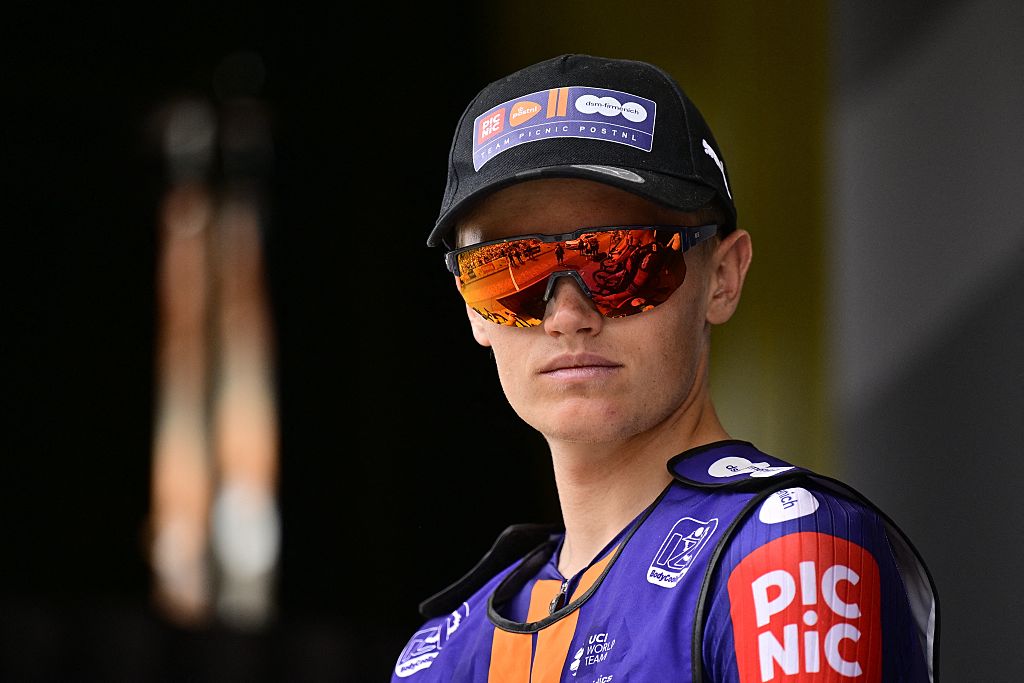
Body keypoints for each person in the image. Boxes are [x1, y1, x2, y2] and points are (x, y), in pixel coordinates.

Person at [392, 54, 938, 682]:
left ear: (723, 277)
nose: (567, 315)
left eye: (624, 259)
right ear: (471, 308)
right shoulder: (439, 654)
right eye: (510, 270)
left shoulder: (790, 553)